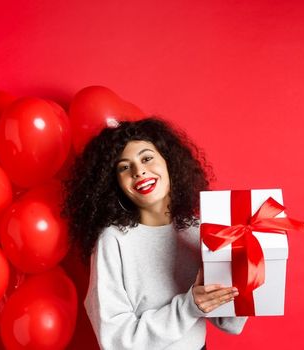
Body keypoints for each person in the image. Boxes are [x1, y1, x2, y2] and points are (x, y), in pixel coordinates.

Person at [63, 117, 247, 350]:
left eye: (147, 158)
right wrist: (189, 306)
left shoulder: (198, 229)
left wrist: (246, 276)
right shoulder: (113, 240)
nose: (139, 171)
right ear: (115, 183)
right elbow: (115, 340)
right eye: (124, 167)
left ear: (169, 162)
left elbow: (229, 324)